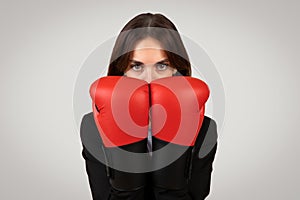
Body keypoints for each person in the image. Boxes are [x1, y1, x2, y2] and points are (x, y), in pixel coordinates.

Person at [81, 13, 218, 200]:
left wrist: (171, 177)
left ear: (177, 70)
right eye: (136, 66)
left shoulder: (204, 129)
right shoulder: (92, 127)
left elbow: (196, 196)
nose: (149, 79)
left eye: (162, 66)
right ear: (121, 71)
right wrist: (128, 179)